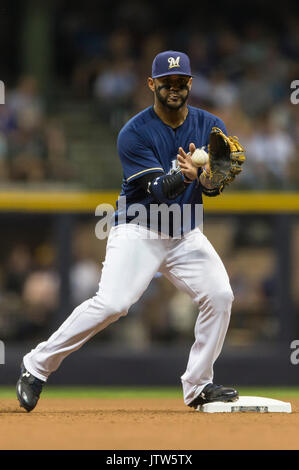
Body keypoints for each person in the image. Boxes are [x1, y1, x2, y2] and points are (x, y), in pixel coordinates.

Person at [17, 51, 243, 412]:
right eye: (167, 82)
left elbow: (213, 187)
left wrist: (209, 178)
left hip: (185, 232)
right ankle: (36, 365)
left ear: (190, 84)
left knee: (220, 296)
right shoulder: (134, 132)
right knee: (113, 304)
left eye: (181, 81)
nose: (175, 87)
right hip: (138, 228)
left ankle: (198, 385)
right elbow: (156, 191)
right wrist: (185, 175)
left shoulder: (210, 124)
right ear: (152, 84)